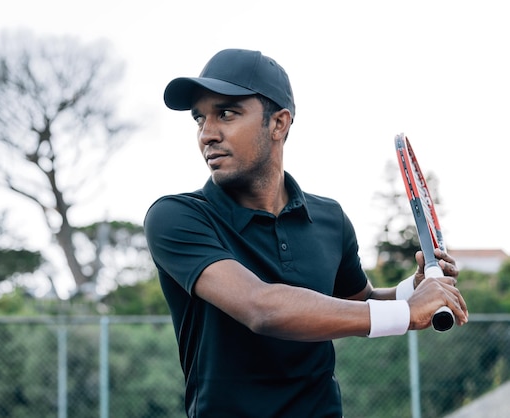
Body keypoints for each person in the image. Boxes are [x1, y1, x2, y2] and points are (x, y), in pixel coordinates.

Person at [143, 48, 468, 418]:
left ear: (279, 123)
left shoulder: (330, 218)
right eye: (199, 119)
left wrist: (416, 288)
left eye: (226, 113)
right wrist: (407, 313)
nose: (207, 134)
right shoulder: (176, 217)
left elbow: (361, 301)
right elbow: (261, 307)